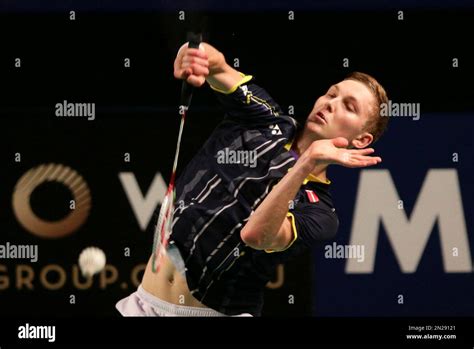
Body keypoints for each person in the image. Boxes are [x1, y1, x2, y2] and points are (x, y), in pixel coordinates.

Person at [116, 41, 388, 317]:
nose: (330, 105)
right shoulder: (263, 118)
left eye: (348, 107)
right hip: (144, 303)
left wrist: (305, 163)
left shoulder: (320, 213)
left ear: (362, 140)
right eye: (331, 94)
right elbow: (218, 66)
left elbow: (255, 235)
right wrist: (195, 55)